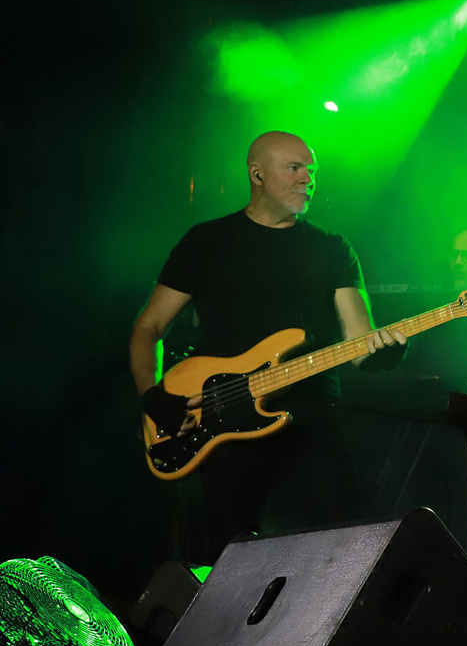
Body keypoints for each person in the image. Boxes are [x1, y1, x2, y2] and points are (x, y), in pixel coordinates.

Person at [129, 131, 408, 561]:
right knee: (231, 555)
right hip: (225, 419)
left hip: (314, 418)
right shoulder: (206, 242)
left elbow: (359, 342)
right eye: (294, 168)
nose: (307, 180)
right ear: (256, 174)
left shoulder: (332, 248)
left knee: (343, 551)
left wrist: (385, 352)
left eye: (311, 171)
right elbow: (148, 327)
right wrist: (152, 396)